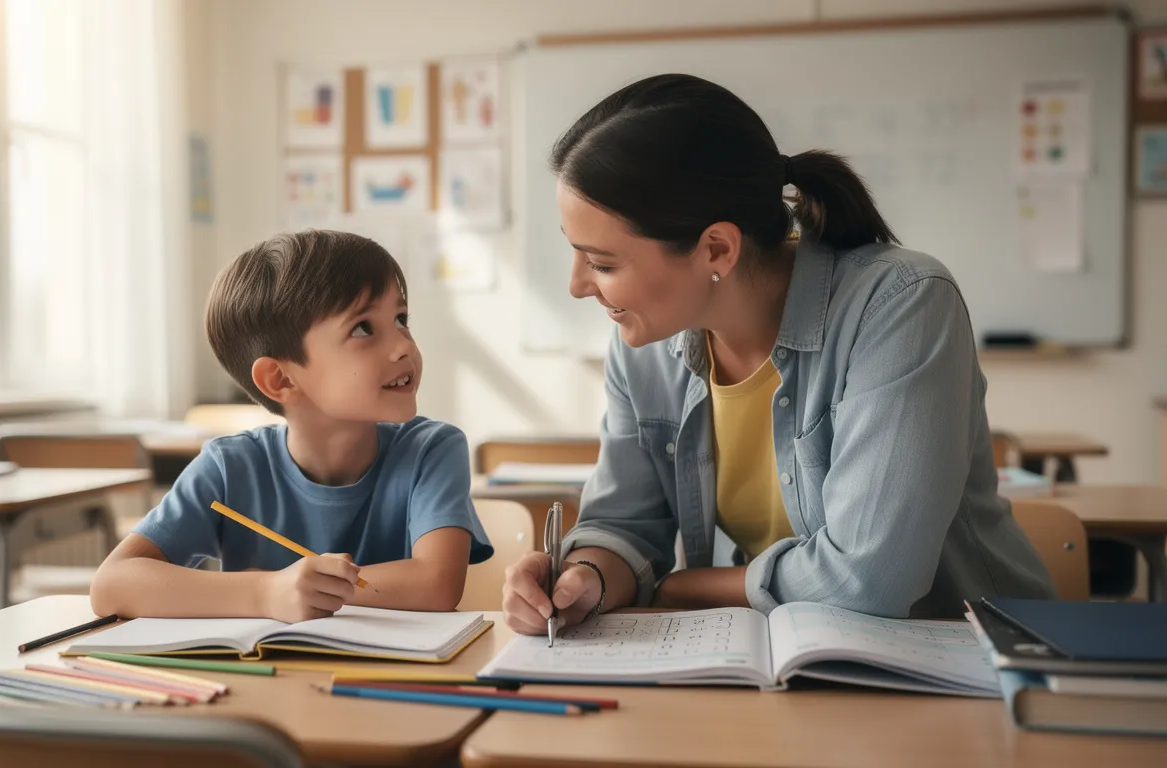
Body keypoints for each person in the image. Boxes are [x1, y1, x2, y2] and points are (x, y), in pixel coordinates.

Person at [503, 74, 1054, 635]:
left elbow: (868, 581)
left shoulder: (902, 305)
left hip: (975, 662)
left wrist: (681, 587)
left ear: (716, 247)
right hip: (791, 663)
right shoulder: (645, 342)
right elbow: (624, 524)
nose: (577, 286)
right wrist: (586, 577)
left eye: (602, 263)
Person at [92, 230, 492, 622]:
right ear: (281, 380)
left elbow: (437, 584)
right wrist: (267, 593)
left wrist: (305, 589)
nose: (405, 344)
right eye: (363, 328)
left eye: (401, 318)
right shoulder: (230, 467)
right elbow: (112, 584)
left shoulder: (431, 449)